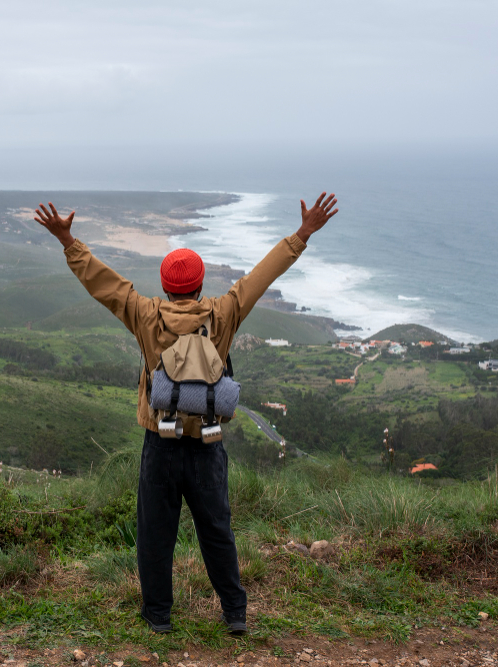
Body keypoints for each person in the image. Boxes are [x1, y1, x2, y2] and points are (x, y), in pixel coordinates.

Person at [34, 192, 338, 634]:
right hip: (208, 444)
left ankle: (158, 616)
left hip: (160, 443)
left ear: (167, 286)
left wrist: (67, 240)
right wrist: (304, 233)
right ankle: (234, 613)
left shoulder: (145, 315)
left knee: (156, 535)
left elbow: (104, 284)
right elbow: (260, 277)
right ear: (198, 286)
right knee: (217, 532)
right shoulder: (223, 313)